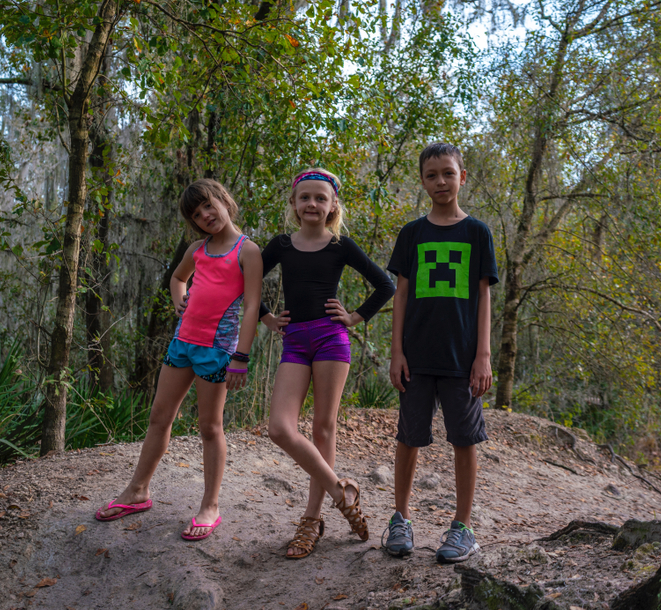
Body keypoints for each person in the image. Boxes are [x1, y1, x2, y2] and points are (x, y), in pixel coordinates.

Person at [95, 179, 262, 542]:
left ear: (223, 201)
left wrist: (241, 357)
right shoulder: (197, 249)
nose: (205, 215)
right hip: (182, 342)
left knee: (209, 427)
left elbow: (252, 306)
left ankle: (210, 506)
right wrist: (178, 299)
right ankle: (137, 491)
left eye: (208, 205)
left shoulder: (248, 251)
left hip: (217, 350)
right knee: (160, 416)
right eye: (196, 213)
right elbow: (177, 277)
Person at [260, 168, 396, 559]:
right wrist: (267, 317)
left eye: (321, 198)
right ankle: (342, 491)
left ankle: (311, 520)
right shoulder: (282, 245)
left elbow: (386, 284)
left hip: (330, 339)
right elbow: (244, 280)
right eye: (305, 198)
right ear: (294, 204)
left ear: (333, 204)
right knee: (280, 428)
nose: (312, 204)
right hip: (295, 340)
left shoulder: (341, 245)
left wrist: (354, 316)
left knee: (323, 427)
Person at [383, 143, 498, 563]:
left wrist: (482, 355)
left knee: (464, 440)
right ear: (423, 181)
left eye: (448, 173)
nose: (440, 182)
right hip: (416, 355)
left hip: (461, 358)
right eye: (431, 175)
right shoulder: (413, 233)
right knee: (408, 437)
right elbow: (401, 294)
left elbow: (483, 296)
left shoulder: (477, 233)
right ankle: (400, 518)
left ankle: (462, 525)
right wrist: (396, 351)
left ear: (462, 177)